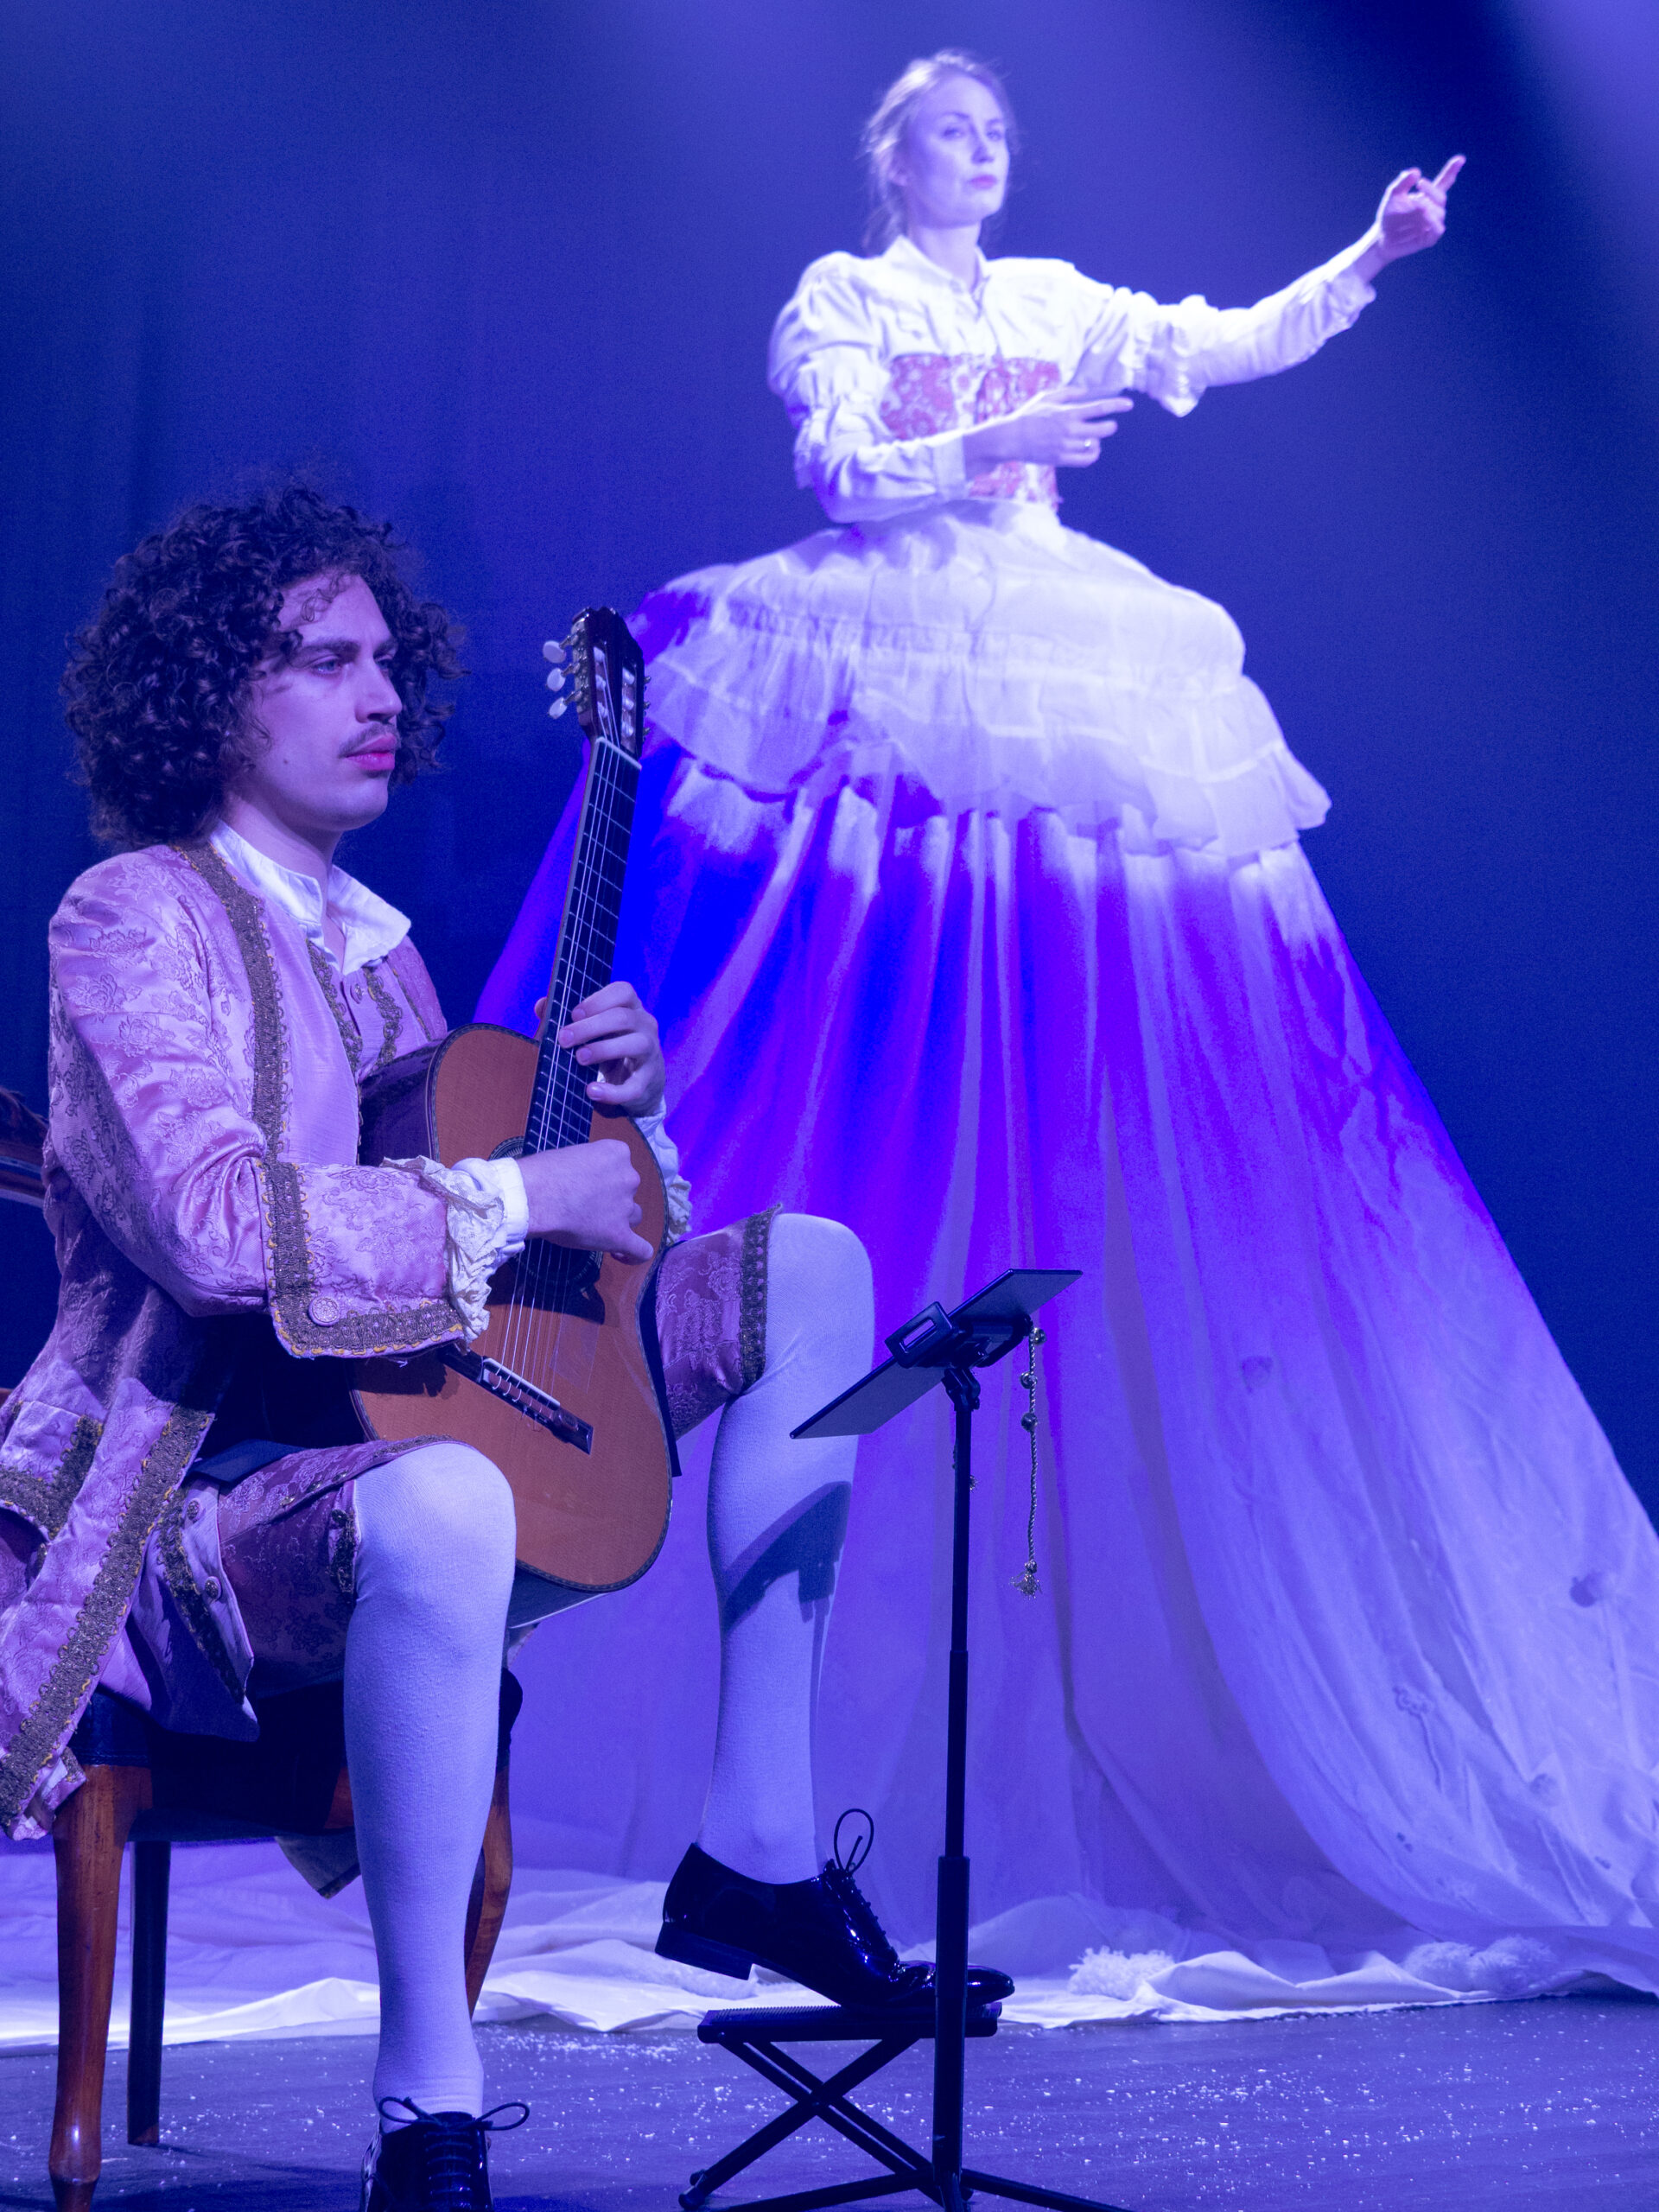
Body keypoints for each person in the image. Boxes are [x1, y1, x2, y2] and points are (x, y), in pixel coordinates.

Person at [482, 53, 1659, 2007]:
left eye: (998, 137)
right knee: (834, 969)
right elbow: (842, 470)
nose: (982, 156)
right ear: (891, 155)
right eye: (952, 132)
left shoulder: (1051, 292)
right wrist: (999, 431)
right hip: (882, 620)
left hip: (1043, 624)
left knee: (1129, 927)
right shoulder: (845, 295)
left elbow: (1215, 341)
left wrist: (1371, 256)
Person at [0, 484, 1007, 2212]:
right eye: (325, 660)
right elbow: (220, 1230)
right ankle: (430, 2100)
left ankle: (760, 1842)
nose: (379, 693)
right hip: (191, 1498)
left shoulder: (384, 961)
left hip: (408, 1427)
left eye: (388, 659)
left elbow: (510, 1252)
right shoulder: (131, 916)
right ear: (210, 695)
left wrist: (616, 1125)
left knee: (810, 1271)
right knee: (455, 1494)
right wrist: (525, 1180)